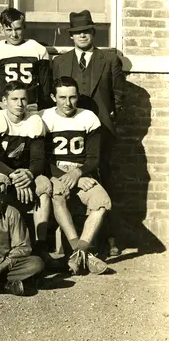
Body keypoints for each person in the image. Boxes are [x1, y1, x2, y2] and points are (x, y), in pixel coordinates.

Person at [52, 9, 125, 257]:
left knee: (104, 182)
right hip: (70, 133)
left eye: (86, 31)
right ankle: (71, 242)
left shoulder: (109, 60)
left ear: (93, 33)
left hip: (100, 132)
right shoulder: (60, 62)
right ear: (71, 37)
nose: (82, 36)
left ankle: (109, 240)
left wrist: (109, 118)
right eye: (76, 33)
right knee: (68, 186)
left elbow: (119, 96)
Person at [42, 77, 110, 275]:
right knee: (58, 195)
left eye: (72, 97)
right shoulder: (44, 117)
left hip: (83, 172)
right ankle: (83, 254)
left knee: (102, 200)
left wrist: (79, 173)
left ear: (78, 97)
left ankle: (78, 252)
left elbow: (94, 157)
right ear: (53, 97)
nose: (68, 103)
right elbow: (41, 159)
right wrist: (72, 176)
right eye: (62, 97)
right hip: (57, 174)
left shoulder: (88, 117)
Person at [0, 81, 52, 261]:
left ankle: (41, 244)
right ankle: (0, 242)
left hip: (26, 172)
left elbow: (38, 160)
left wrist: (28, 175)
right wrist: (14, 176)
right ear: (5, 101)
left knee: (44, 186)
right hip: (2, 171)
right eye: (14, 99)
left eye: (23, 99)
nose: (20, 104)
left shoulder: (34, 120)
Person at [0, 8, 51, 110]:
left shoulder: (37, 48)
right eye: (9, 30)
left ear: (24, 27)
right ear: (2, 30)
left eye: (17, 29)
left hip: (29, 105)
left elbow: (45, 85)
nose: (14, 34)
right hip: (2, 105)